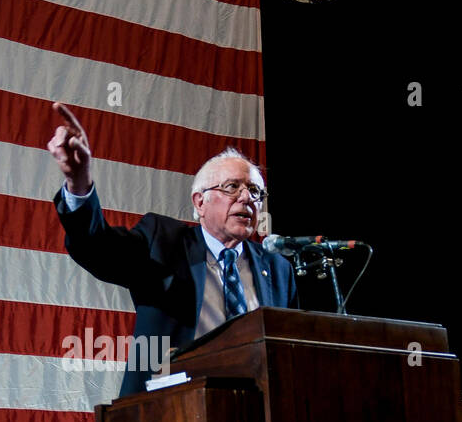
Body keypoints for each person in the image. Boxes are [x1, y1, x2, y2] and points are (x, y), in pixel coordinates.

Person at [47, 103, 299, 397]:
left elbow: (289, 351)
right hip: (171, 408)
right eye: (232, 187)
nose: (247, 198)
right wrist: (79, 183)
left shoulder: (278, 268)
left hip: (257, 408)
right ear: (199, 202)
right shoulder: (163, 243)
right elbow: (99, 249)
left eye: (256, 192)